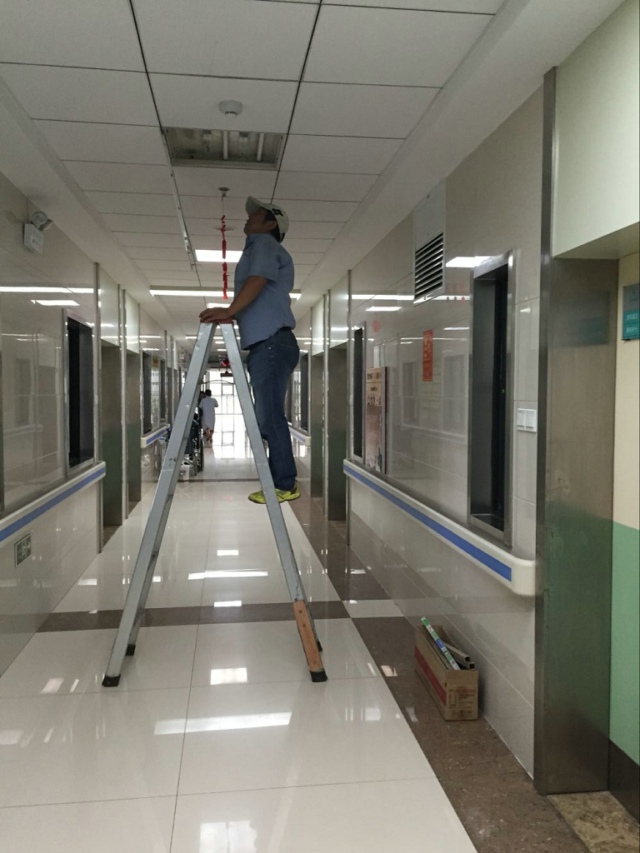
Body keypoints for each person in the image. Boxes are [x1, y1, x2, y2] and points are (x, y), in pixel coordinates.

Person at [199, 196, 300, 503]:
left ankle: (285, 484)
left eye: (256, 215)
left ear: (270, 224)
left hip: (272, 343)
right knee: (266, 417)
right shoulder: (257, 247)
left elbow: (257, 280)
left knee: (269, 417)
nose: (248, 217)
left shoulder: (265, 244)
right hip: (267, 344)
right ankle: (281, 481)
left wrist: (230, 310)